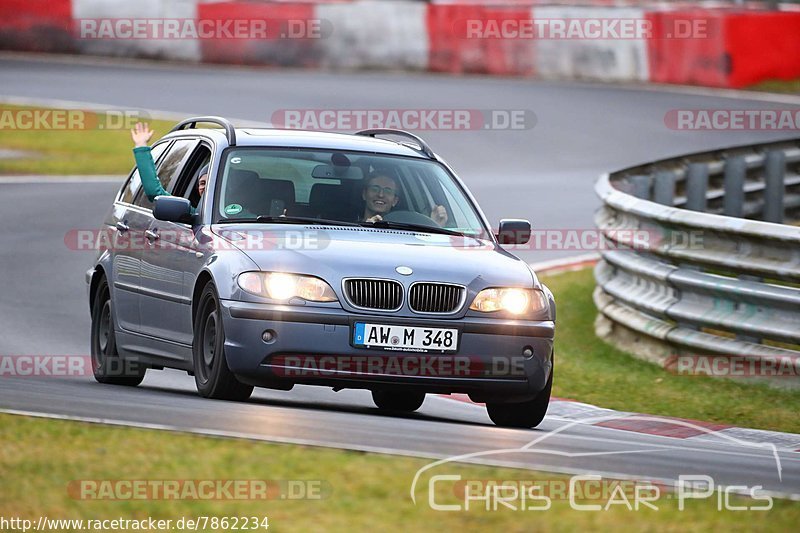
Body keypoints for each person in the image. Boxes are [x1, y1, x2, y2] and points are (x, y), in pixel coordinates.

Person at [131, 122, 208, 207]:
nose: (205, 187)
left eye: (210, 182)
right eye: (202, 183)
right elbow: (155, 193)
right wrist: (141, 146)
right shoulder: (193, 213)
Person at [361, 172, 448, 226]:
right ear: (364, 194)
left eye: (388, 191)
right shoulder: (349, 228)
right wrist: (364, 228)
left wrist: (433, 225)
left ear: (395, 201)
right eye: (375, 189)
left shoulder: (405, 231)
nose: (380, 194)